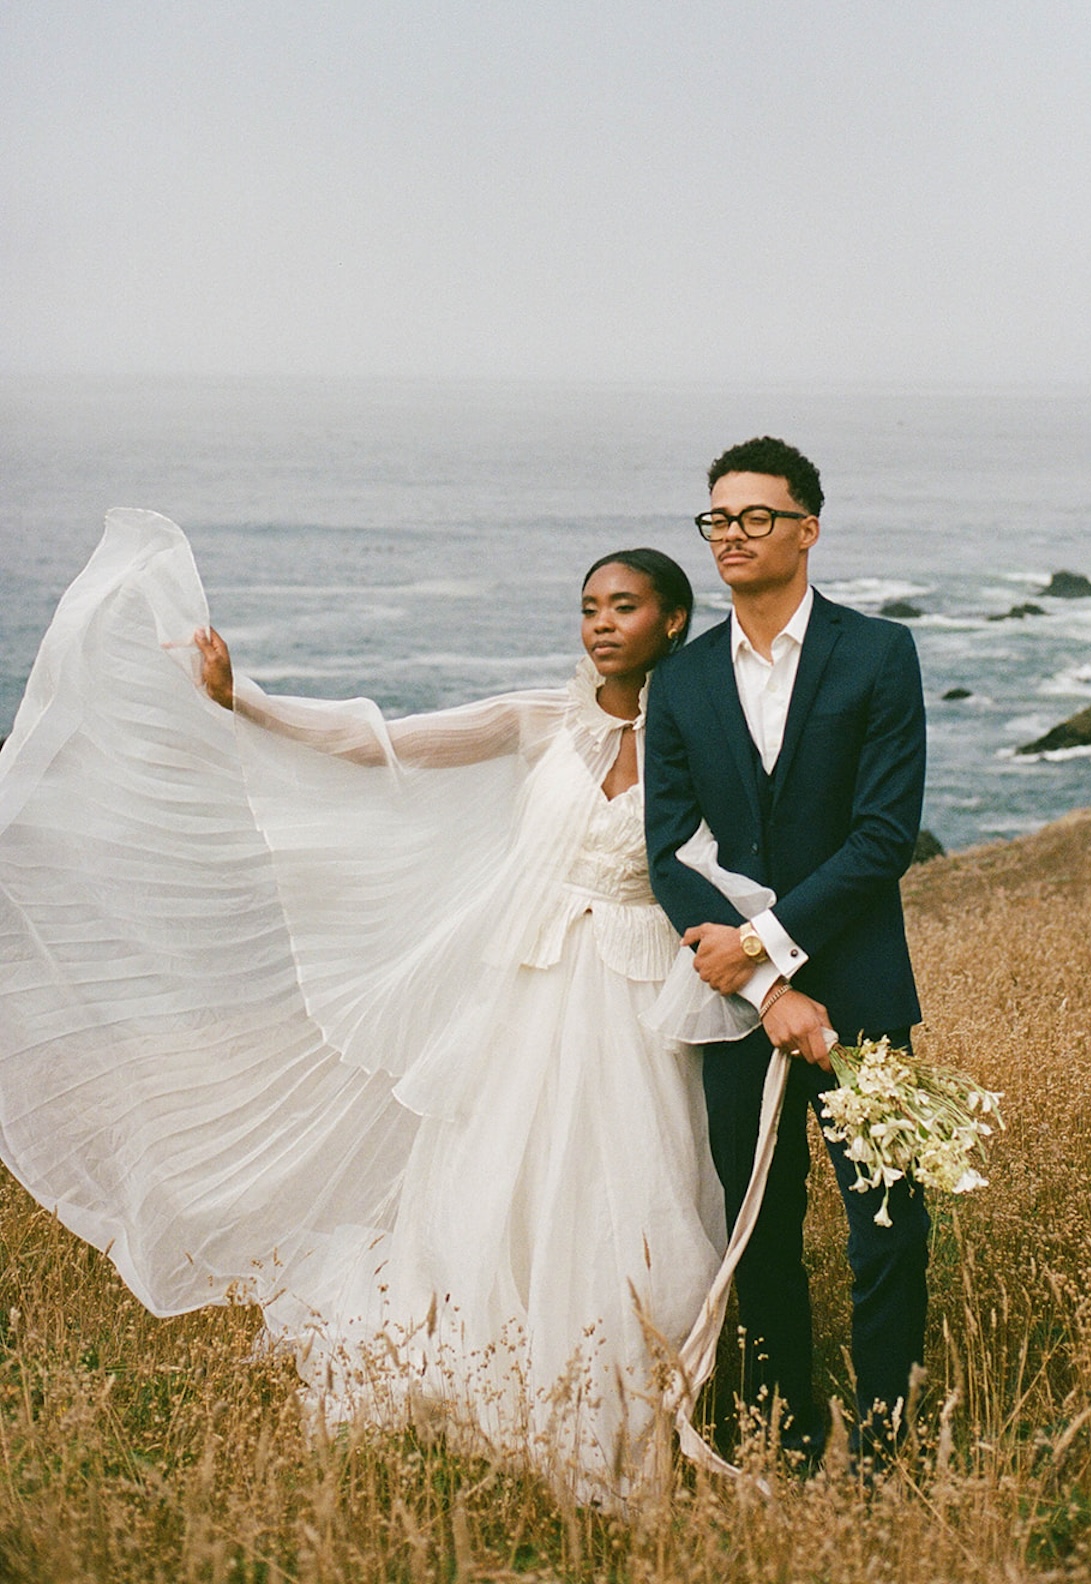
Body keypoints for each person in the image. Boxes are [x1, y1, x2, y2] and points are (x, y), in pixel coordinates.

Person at [0, 510, 724, 1503]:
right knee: (499, 1180)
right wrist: (241, 700)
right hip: (526, 994)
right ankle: (500, 1389)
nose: (601, 624)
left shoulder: (706, 736)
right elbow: (381, 742)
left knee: (640, 1190)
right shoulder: (540, 720)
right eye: (589, 607)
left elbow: (742, 862)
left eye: (624, 606)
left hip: (636, 1000)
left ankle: (634, 1392)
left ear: (674, 622)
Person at [644, 435, 929, 1463]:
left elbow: (883, 837)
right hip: (733, 1010)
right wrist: (764, 986)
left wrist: (763, 942)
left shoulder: (878, 653)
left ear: (807, 528)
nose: (732, 535)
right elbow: (667, 851)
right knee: (756, 1232)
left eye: (755, 517)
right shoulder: (676, 683)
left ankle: (886, 1444)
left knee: (889, 1227)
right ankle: (791, 1439)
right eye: (717, 518)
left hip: (863, 992)